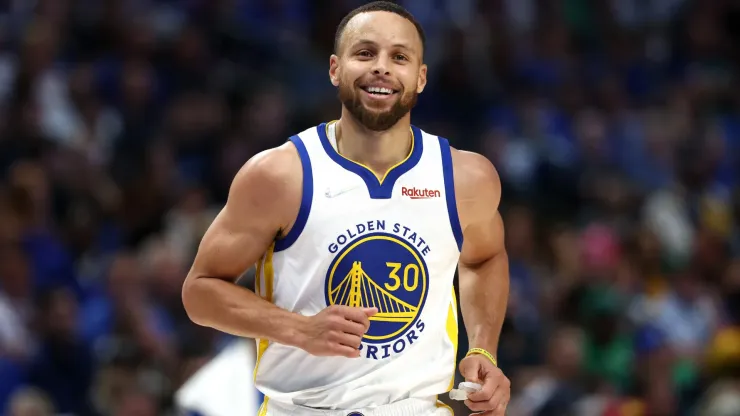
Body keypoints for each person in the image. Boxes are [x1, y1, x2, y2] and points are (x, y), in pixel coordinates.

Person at [181, 2, 510, 415]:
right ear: (335, 69)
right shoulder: (281, 175)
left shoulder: (466, 178)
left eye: (400, 57)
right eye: (365, 53)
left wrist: (483, 348)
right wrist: (300, 330)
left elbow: (484, 259)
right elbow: (199, 292)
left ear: (420, 78)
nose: (382, 68)